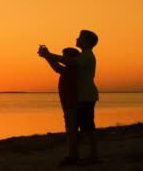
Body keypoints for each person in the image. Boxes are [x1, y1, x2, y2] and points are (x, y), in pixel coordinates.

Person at [38, 30, 99, 165]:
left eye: (79, 38)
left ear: (86, 42)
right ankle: (77, 156)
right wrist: (47, 56)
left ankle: (92, 156)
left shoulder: (86, 56)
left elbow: (66, 62)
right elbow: (60, 66)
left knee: (88, 128)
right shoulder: (82, 57)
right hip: (81, 98)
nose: (76, 39)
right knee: (82, 128)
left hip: (85, 97)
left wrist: (48, 55)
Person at [41, 47, 80, 165]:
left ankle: (73, 156)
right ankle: (73, 155)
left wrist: (48, 54)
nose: (63, 58)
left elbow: (59, 64)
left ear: (71, 58)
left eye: (65, 56)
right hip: (67, 104)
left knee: (72, 130)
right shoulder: (68, 69)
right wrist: (46, 56)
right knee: (70, 130)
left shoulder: (74, 67)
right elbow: (57, 67)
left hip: (72, 103)